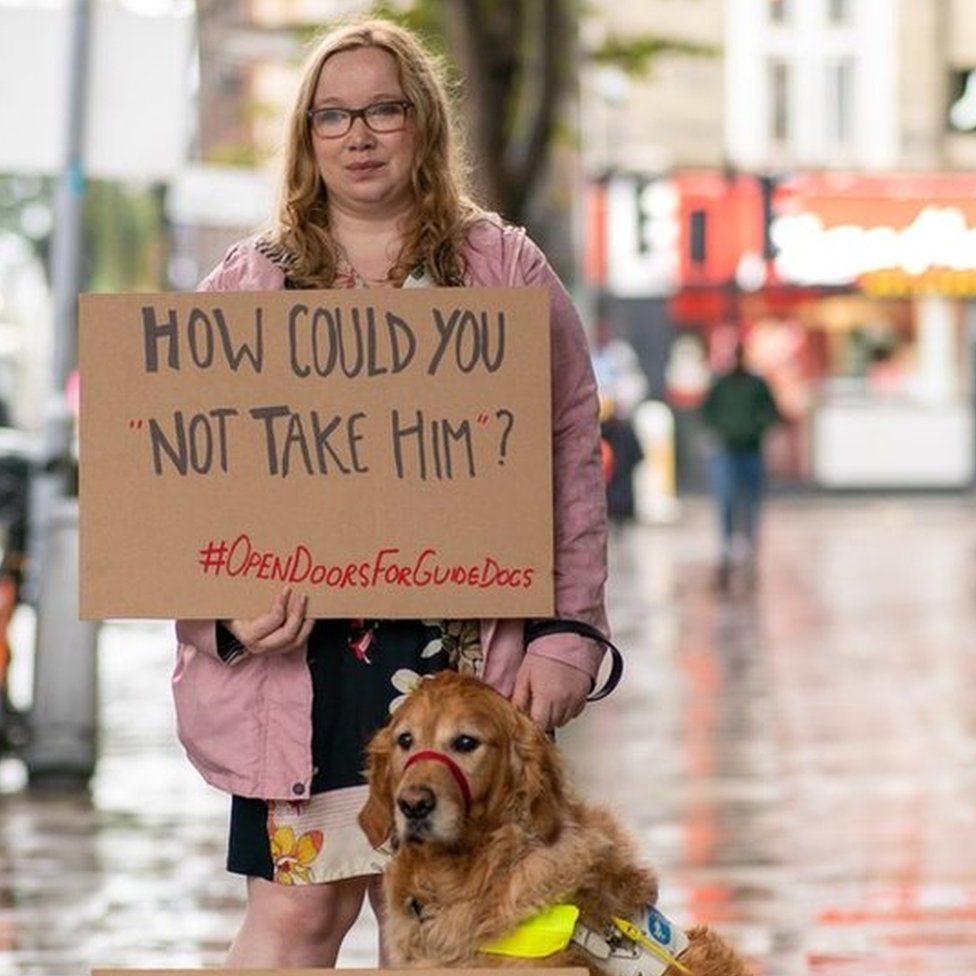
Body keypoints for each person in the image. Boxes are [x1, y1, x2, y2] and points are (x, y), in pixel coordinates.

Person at [171, 18, 609, 969]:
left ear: (423, 125)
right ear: (306, 136)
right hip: (304, 675)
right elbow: (178, 482)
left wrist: (570, 632)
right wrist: (227, 615)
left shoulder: (505, 271)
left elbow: (570, 448)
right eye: (333, 115)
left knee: (458, 932)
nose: (358, 135)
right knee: (294, 921)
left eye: (382, 109)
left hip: (467, 663)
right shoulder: (246, 290)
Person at [701, 340, 781, 588]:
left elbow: (772, 411)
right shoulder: (721, 384)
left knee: (750, 500)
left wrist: (757, 428)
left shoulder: (757, 384)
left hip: (751, 449)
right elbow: (707, 412)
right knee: (726, 498)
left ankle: (749, 543)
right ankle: (727, 543)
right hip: (728, 449)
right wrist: (719, 432)